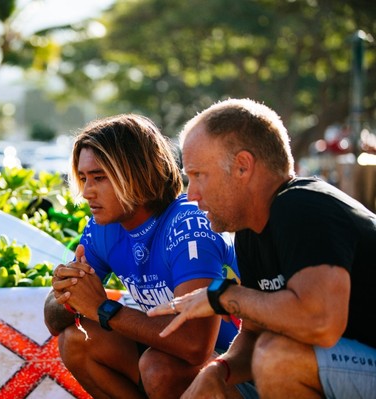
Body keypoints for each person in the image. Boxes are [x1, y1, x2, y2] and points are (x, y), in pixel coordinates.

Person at [148, 98, 376, 398]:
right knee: (207, 379)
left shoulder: (303, 206)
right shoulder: (250, 230)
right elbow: (253, 334)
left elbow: (320, 322)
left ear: (243, 166)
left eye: (198, 175)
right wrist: (219, 371)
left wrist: (224, 297)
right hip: (345, 367)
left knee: (277, 357)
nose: (191, 195)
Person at [43, 114, 253, 398]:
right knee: (77, 341)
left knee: (159, 366)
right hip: (181, 359)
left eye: (99, 178)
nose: (87, 192)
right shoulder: (103, 227)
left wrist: (102, 309)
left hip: (245, 372)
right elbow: (54, 322)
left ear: (136, 173)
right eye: (83, 178)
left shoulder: (189, 222)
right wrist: (67, 293)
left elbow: (194, 345)